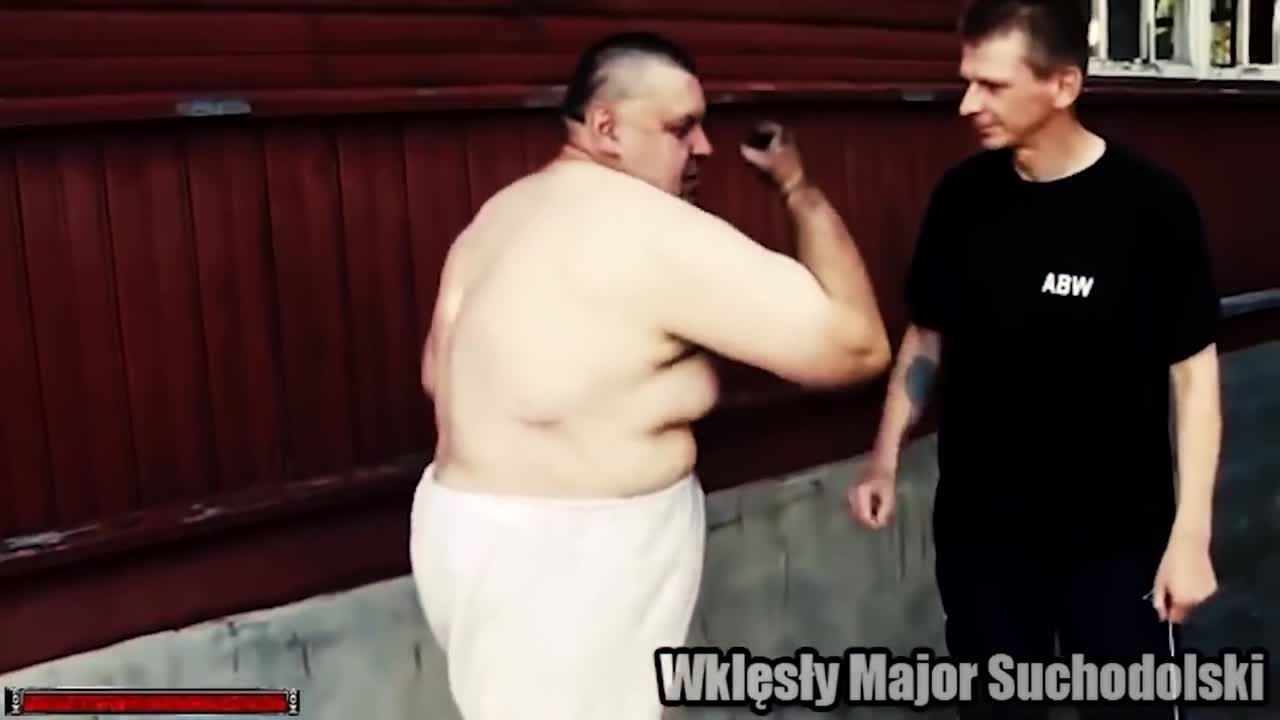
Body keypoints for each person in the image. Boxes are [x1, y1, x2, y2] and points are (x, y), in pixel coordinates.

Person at [409, 31, 891, 720]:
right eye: (680, 128)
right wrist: (798, 189)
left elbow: (438, 373)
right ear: (607, 128)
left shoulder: (501, 213)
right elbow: (858, 347)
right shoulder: (649, 227)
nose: (704, 148)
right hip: (564, 563)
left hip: (460, 532)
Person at [849, 1, 1222, 718]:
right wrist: (884, 459)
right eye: (967, 80)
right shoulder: (961, 198)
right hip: (984, 541)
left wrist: (1191, 533)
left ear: (1063, 85)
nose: (968, 104)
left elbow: (1194, 377)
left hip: (1116, 546)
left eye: (992, 85)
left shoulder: (1150, 207)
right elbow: (926, 338)